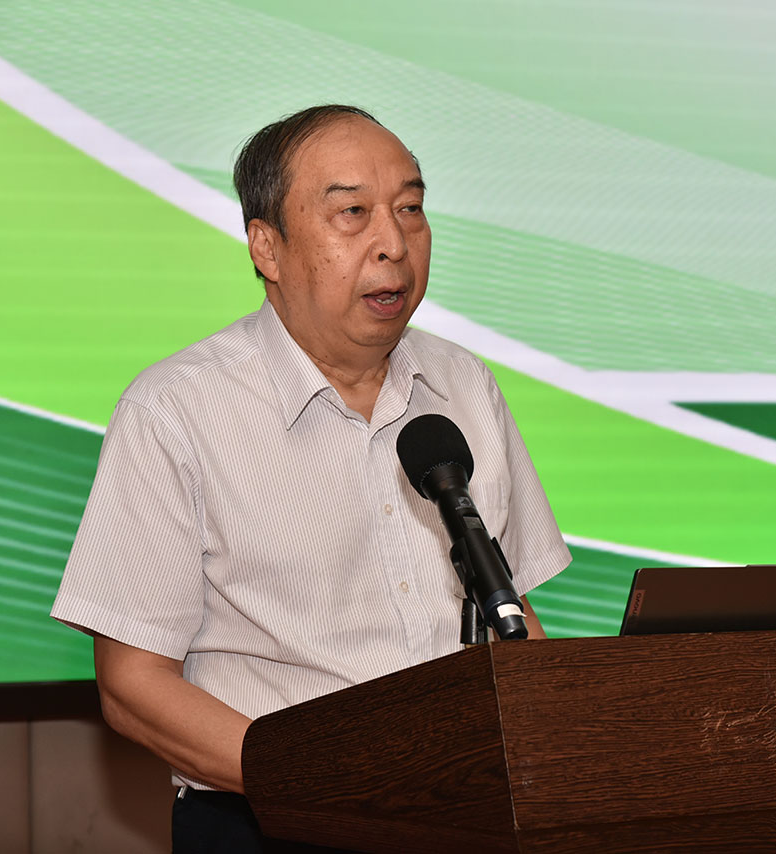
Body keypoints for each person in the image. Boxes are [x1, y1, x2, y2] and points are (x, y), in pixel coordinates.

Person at [51, 105, 572, 851]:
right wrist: (325, 783)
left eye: (410, 209)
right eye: (352, 214)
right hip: (267, 821)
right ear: (267, 246)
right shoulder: (176, 410)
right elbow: (133, 686)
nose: (394, 243)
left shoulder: (464, 386)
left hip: (466, 814)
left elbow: (511, 610)